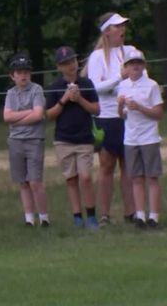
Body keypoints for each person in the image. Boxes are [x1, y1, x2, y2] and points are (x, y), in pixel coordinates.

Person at [83, 12, 137, 225]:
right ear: (107, 31)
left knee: (128, 165)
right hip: (107, 116)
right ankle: (104, 214)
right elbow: (97, 87)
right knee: (107, 166)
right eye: (117, 26)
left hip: (129, 115)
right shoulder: (97, 57)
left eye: (123, 25)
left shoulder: (131, 51)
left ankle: (131, 211)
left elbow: (138, 78)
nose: (122, 29)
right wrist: (119, 78)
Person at [45, 46, 100, 229]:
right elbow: (50, 114)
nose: (71, 66)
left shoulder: (86, 83)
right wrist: (65, 99)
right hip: (63, 139)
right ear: (59, 67)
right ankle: (77, 216)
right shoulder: (55, 87)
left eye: (72, 61)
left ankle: (91, 215)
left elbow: (96, 109)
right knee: (71, 178)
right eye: (65, 63)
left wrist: (80, 99)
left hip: (84, 138)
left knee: (85, 177)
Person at [116, 50, 164, 229]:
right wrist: (120, 107)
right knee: (135, 177)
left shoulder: (151, 85)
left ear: (143, 66)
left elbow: (159, 114)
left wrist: (140, 107)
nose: (135, 66)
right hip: (130, 138)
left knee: (152, 177)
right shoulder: (123, 86)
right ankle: (140, 215)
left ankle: (154, 216)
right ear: (126, 68)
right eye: (131, 64)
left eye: (138, 63)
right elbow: (121, 116)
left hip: (149, 137)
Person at [3, 54, 49, 227]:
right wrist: (26, 114)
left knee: (35, 181)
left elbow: (38, 114)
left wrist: (16, 118)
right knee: (23, 182)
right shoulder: (11, 93)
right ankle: (29, 218)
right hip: (15, 140)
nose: (23, 76)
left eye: (26, 72)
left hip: (34, 139)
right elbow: (6, 116)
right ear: (12, 75)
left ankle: (44, 217)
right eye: (19, 72)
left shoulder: (36, 89)